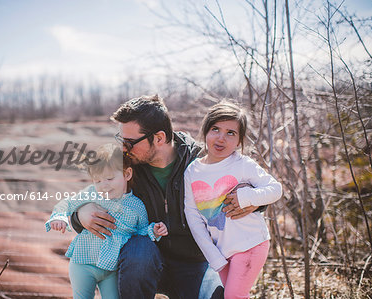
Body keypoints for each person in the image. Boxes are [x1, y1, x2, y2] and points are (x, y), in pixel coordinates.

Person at [71, 95, 263, 299]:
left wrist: (250, 199)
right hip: (146, 258)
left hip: (197, 261)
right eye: (121, 140)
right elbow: (95, 191)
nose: (123, 148)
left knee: (218, 293)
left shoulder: (201, 161)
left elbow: (253, 182)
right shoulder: (128, 166)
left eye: (129, 141)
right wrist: (80, 214)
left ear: (159, 138)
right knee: (138, 249)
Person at [184, 102, 282, 299]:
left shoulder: (242, 165)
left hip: (250, 243)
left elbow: (275, 189)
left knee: (233, 296)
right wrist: (213, 255)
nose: (221, 137)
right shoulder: (193, 171)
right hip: (222, 251)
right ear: (205, 131)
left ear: (239, 141)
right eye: (215, 129)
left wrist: (245, 197)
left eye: (231, 133)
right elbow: (193, 216)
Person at [45, 144, 168, 299]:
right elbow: (67, 204)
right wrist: (59, 217)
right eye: (97, 181)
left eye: (110, 178)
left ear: (127, 174)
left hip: (111, 269)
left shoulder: (137, 206)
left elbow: (140, 232)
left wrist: (154, 230)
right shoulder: (91, 193)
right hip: (83, 263)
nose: (104, 185)